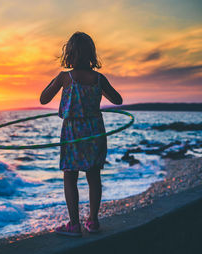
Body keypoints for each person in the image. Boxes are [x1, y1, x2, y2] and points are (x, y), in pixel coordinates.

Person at [39, 32, 123, 237]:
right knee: (93, 175)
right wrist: (100, 88)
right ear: (91, 55)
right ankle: (93, 221)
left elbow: (43, 99)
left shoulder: (64, 78)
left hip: (73, 132)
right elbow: (118, 100)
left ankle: (74, 224)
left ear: (69, 54)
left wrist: (57, 80)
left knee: (70, 176)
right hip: (95, 131)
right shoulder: (99, 79)